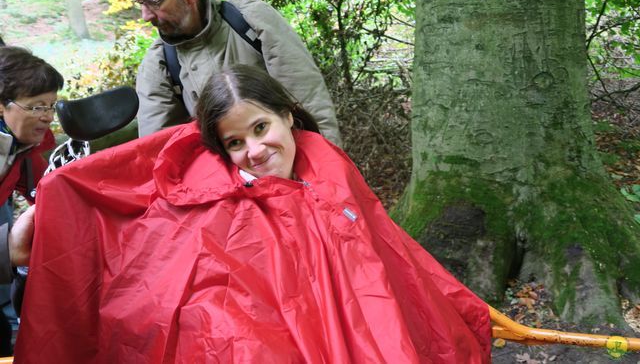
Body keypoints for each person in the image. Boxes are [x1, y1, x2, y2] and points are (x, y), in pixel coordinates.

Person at [15, 65, 490, 363]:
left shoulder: (327, 170)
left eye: (261, 128)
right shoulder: (217, 191)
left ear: (288, 114)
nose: (256, 151)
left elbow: (375, 264)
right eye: (236, 143)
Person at [130, 0, 342, 146]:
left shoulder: (251, 21)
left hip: (287, 166)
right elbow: (160, 155)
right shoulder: (158, 65)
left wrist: (330, 176)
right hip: (219, 181)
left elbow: (310, 104)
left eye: (154, 1)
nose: (145, 16)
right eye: (140, 3)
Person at [0, 46, 63, 355]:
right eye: (37, 106)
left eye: (51, 105)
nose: (48, 116)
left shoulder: (22, 148)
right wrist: (8, 249)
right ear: (2, 106)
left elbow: (47, 190)